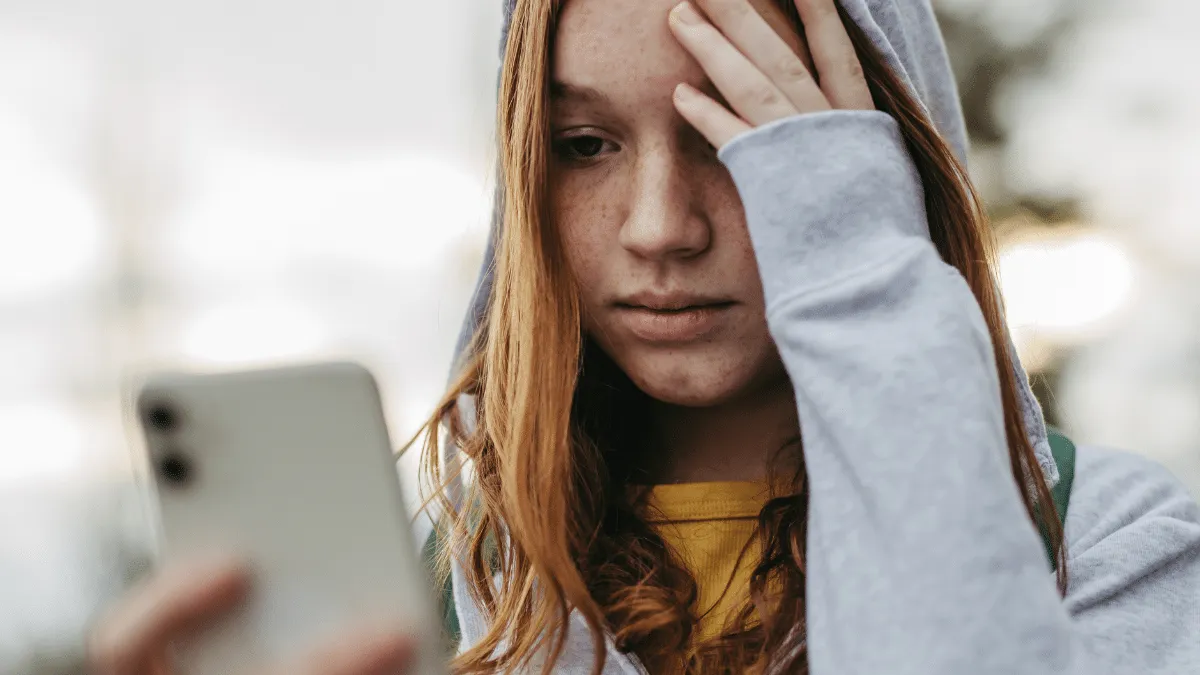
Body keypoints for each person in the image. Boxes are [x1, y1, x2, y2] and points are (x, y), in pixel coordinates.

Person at [88, 0, 1200, 674]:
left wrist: (858, 270)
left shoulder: (1107, 543)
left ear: (874, 162)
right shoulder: (439, 599)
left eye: (740, 133)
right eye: (583, 145)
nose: (660, 228)